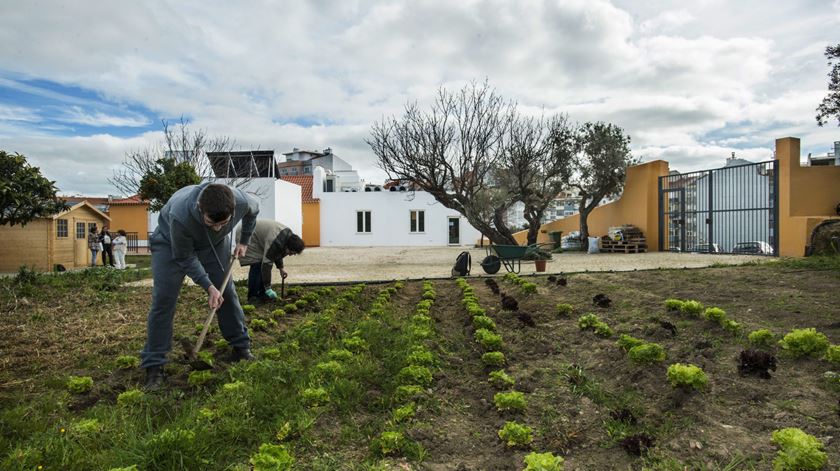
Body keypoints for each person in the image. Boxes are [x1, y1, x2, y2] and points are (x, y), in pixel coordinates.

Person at [141, 182, 259, 390]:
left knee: (227, 293)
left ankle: (241, 348)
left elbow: (254, 210)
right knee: (164, 300)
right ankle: (154, 366)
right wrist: (208, 286)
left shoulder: (240, 200)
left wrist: (244, 241)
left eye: (224, 223)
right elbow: (185, 257)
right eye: (211, 223)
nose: (218, 228)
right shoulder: (180, 215)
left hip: (213, 246)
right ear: (199, 208)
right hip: (170, 245)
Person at [237, 220, 305, 304]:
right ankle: (253, 297)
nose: (290, 255)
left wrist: (281, 268)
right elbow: (266, 265)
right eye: (291, 252)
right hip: (248, 234)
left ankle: (262, 294)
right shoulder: (276, 241)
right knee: (257, 265)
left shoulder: (287, 239)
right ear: (288, 246)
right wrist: (268, 288)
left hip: (257, 236)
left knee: (261, 263)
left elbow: (277, 253)